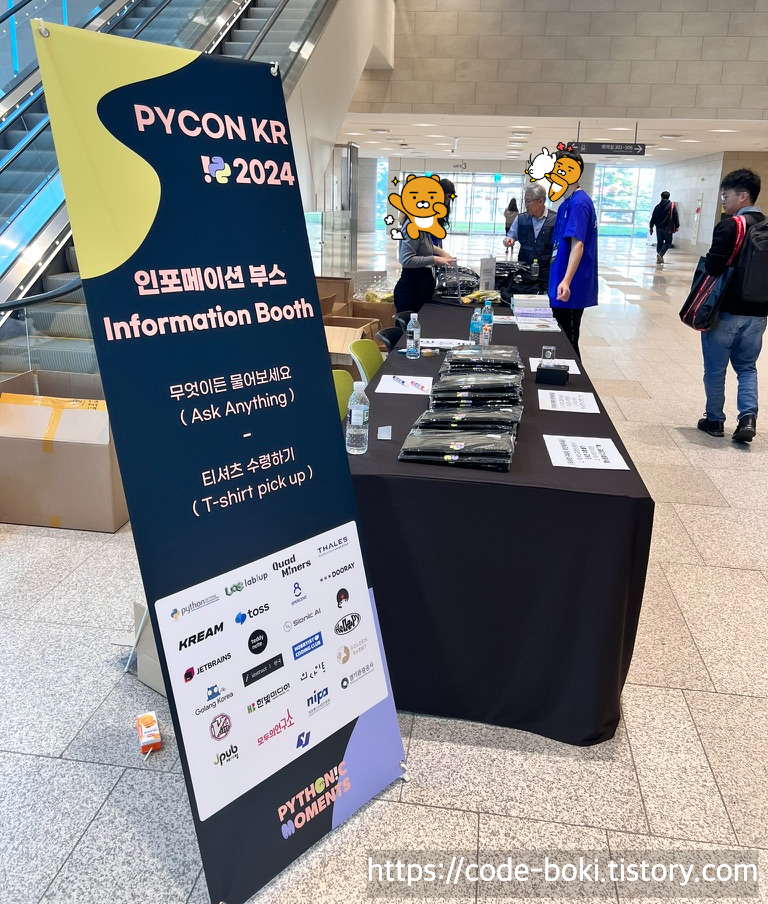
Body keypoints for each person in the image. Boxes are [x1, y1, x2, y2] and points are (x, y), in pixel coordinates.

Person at [697, 168, 766, 443]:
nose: (723, 201)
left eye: (726, 196)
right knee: (747, 367)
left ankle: (714, 420)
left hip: (724, 312)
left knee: (716, 369)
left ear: (743, 196)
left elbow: (714, 267)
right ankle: (747, 418)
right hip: (758, 313)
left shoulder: (730, 226)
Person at [547, 149, 598, 358]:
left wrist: (566, 281)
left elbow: (578, 245)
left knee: (568, 341)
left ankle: (575, 377)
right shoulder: (566, 203)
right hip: (560, 276)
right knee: (562, 338)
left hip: (570, 283)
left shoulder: (579, 203)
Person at [393, 218, 456, 314]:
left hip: (421, 286)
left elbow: (424, 245)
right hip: (411, 290)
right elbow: (407, 260)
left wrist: (442, 253)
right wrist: (435, 259)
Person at [503, 183, 556, 291]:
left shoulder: (555, 219)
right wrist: (508, 240)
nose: (526, 205)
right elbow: (510, 236)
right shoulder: (521, 218)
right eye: (525, 201)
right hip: (525, 270)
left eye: (528, 201)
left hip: (547, 272)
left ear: (541, 201)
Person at [649, 191, 679, 265]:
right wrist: (677, 225)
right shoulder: (671, 206)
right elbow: (675, 215)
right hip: (667, 227)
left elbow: (653, 217)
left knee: (660, 242)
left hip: (658, 227)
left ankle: (659, 256)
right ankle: (661, 254)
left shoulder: (657, 206)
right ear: (668, 197)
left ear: (661, 197)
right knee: (668, 241)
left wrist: (651, 226)